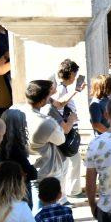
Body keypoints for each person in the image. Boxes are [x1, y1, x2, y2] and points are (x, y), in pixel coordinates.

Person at [18, 80, 72, 183]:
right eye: (49, 96)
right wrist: (71, 120)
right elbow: (61, 140)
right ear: (43, 100)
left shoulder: (14, 112)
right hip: (45, 172)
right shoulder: (46, 122)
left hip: (25, 167)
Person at [49, 60, 84, 197]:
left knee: (71, 162)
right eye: (75, 75)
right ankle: (69, 193)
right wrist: (76, 91)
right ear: (70, 74)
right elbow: (59, 105)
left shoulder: (61, 87)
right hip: (66, 131)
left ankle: (70, 191)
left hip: (66, 130)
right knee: (70, 162)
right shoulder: (60, 89)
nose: (75, 78)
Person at [0, 108, 37, 209]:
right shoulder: (16, 148)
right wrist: (33, 169)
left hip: (2, 191)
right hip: (19, 191)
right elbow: (32, 174)